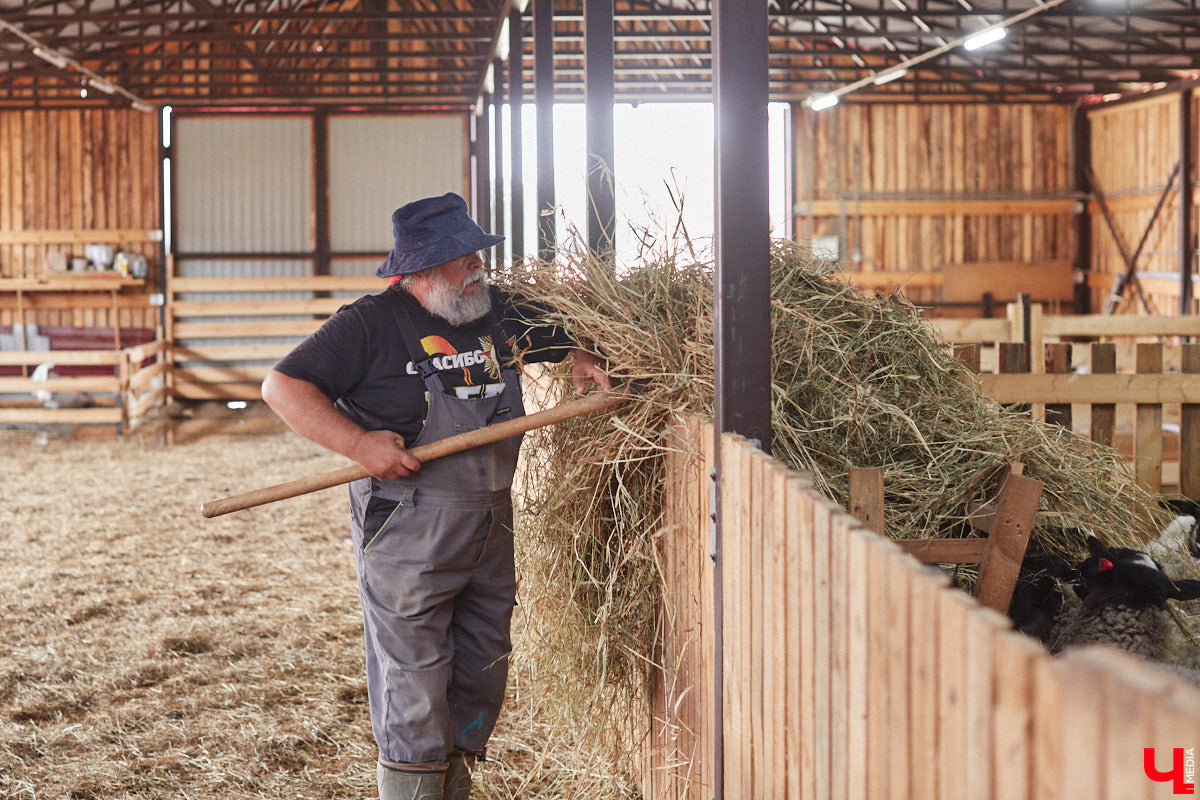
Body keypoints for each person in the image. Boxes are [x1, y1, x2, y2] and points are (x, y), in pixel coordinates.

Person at [261, 192, 610, 800]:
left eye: (476, 251)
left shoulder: (496, 309)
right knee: (415, 678)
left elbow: (561, 334)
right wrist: (358, 443)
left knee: (481, 665)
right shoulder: (369, 324)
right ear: (420, 268)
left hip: (491, 519)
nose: (476, 264)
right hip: (408, 524)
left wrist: (580, 355)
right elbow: (282, 387)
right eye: (460, 256)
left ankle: (453, 787)